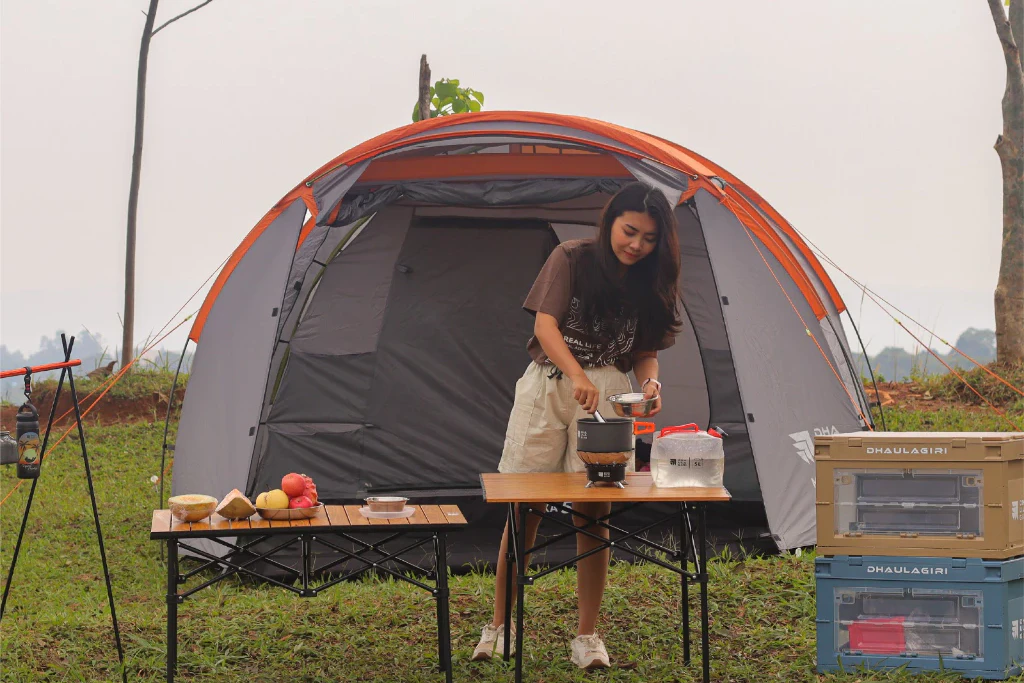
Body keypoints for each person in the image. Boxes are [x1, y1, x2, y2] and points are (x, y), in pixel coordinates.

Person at [472, 182, 683, 669]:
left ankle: (587, 636)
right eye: (630, 231)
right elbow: (544, 326)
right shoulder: (572, 258)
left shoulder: (652, 282)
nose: (636, 245)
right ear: (612, 220)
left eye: (649, 239)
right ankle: (500, 625)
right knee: (524, 505)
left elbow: (645, 355)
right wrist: (576, 374)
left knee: (594, 512)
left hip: (607, 391)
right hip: (549, 383)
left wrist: (651, 387)